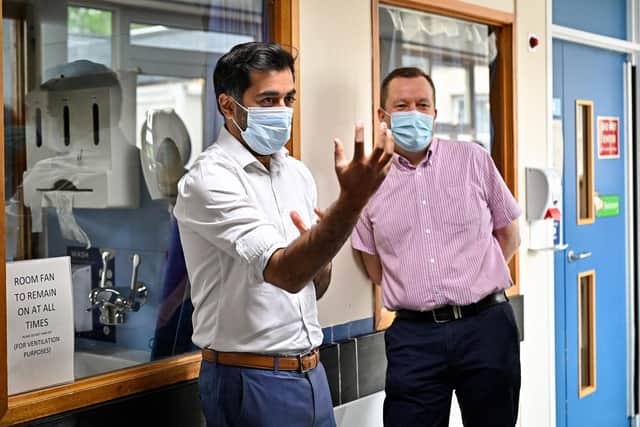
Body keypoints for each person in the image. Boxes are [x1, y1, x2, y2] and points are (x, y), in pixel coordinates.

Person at [173, 42, 394, 427]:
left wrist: (320, 258)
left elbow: (313, 284)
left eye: (288, 98)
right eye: (268, 100)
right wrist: (353, 201)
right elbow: (286, 274)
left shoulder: (295, 173)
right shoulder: (210, 180)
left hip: (310, 372)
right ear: (229, 106)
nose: (282, 111)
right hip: (249, 378)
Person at [351, 67, 522, 427]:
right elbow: (372, 264)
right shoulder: (368, 179)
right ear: (383, 116)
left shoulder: (472, 160)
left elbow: (509, 235)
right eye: (402, 105)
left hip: (486, 327)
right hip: (414, 338)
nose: (413, 112)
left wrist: (472, 280)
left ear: (435, 113)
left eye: (422, 104)